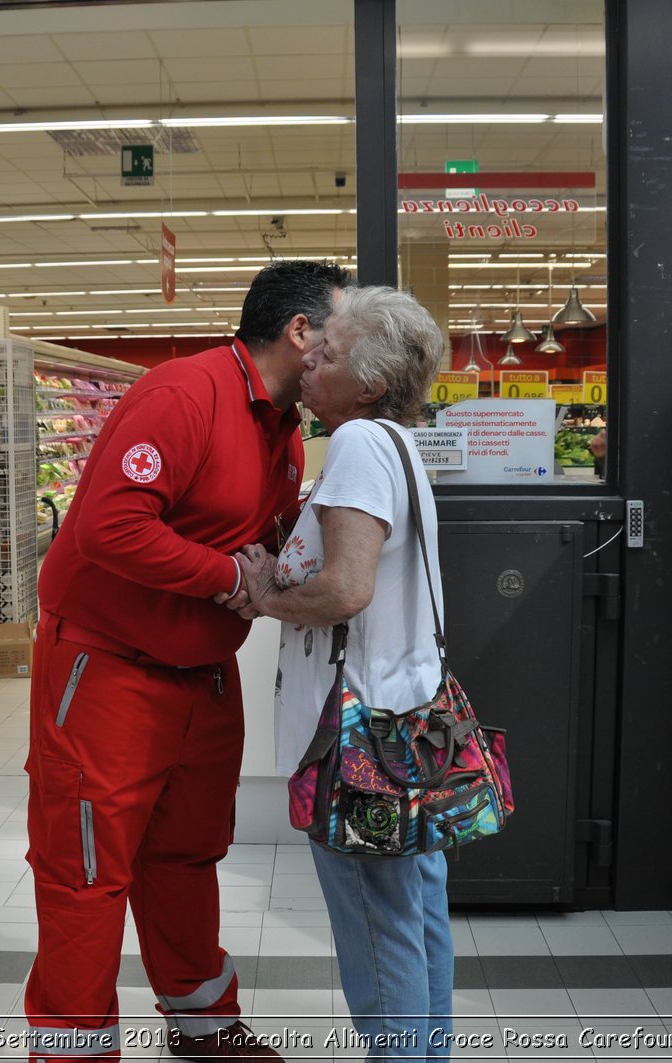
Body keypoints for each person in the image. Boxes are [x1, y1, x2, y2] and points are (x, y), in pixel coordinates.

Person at [25, 260, 351, 1062]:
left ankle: (204, 1025)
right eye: (344, 334)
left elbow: (254, 529)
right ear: (300, 332)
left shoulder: (281, 425)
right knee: (87, 868)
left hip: (202, 671)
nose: (355, 352)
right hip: (107, 667)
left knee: (187, 850)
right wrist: (227, 576)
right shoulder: (183, 395)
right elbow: (110, 528)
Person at [227, 286, 453, 1056]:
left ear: (370, 383)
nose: (309, 360)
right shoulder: (397, 444)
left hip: (353, 745)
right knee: (417, 913)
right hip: (409, 725)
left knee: (373, 926)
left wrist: (264, 596)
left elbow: (347, 589)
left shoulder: (356, 444)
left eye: (327, 353)